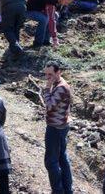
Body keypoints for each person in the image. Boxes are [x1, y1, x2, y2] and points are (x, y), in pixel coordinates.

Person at [40, 61, 73, 194]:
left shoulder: (61, 87)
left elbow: (49, 105)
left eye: (51, 74)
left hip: (56, 127)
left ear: (58, 72)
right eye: (46, 75)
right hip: (60, 125)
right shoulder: (59, 84)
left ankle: (58, 190)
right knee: (62, 158)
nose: (48, 77)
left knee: (51, 161)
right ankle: (67, 189)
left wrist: (47, 89)